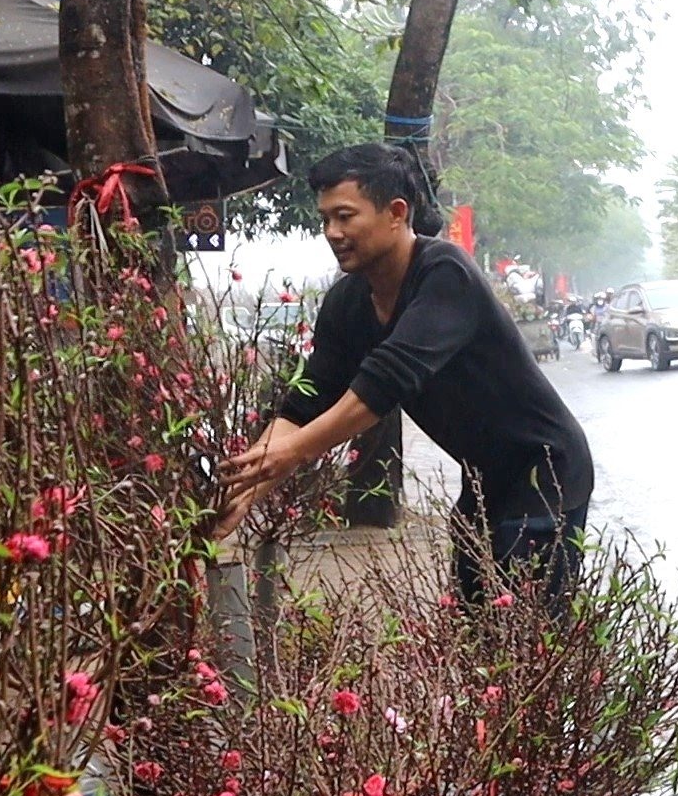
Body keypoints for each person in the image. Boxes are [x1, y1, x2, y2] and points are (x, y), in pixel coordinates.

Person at [215, 143, 595, 602]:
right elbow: (304, 405)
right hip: (483, 480)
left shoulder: (445, 273)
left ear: (396, 212)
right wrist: (243, 490)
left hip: (547, 472)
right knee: (477, 625)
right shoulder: (346, 305)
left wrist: (291, 454)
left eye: (345, 216)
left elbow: (385, 382)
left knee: (528, 636)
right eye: (325, 220)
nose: (332, 232)